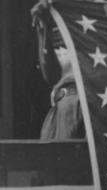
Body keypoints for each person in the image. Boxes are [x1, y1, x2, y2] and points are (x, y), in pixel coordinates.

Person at [31, 0, 84, 139]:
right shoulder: (51, 13)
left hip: (81, 106)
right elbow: (51, 75)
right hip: (61, 107)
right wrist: (43, 29)